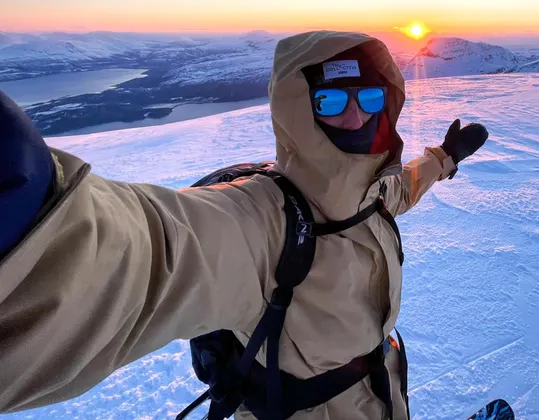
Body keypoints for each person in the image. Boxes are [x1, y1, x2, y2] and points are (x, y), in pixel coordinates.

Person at [0, 31, 488, 419]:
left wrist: (443, 159)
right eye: (332, 102)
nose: (356, 114)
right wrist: (38, 220)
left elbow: (400, 189)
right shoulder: (260, 221)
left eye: (369, 98)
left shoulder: (370, 190)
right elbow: (151, 255)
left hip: (381, 394)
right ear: (301, 109)